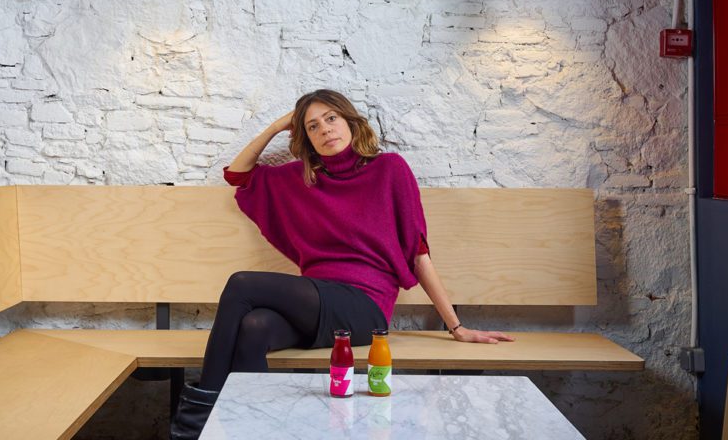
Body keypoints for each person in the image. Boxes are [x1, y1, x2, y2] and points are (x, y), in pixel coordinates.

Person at [170, 89, 514, 439]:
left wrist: (456, 327)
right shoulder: (303, 179)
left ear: (349, 122)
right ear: (306, 138)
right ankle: (251, 430)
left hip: (364, 308)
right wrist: (276, 126)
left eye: (331, 119)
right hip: (318, 306)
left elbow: (418, 253)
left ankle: (197, 421)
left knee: (242, 284)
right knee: (254, 327)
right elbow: (238, 175)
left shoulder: (389, 169)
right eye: (312, 126)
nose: (325, 129)